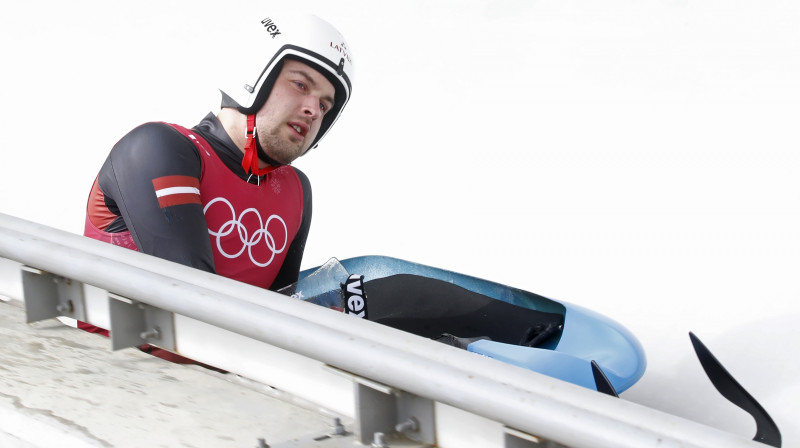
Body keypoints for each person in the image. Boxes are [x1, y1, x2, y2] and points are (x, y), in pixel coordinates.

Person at [79, 13, 355, 361]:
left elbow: (279, 311)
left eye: (325, 104)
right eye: (301, 85)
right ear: (253, 77)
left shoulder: (297, 192)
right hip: (115, 386)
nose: (315, 110)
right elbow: (195, 302)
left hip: (218, 398)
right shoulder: (159, 148)